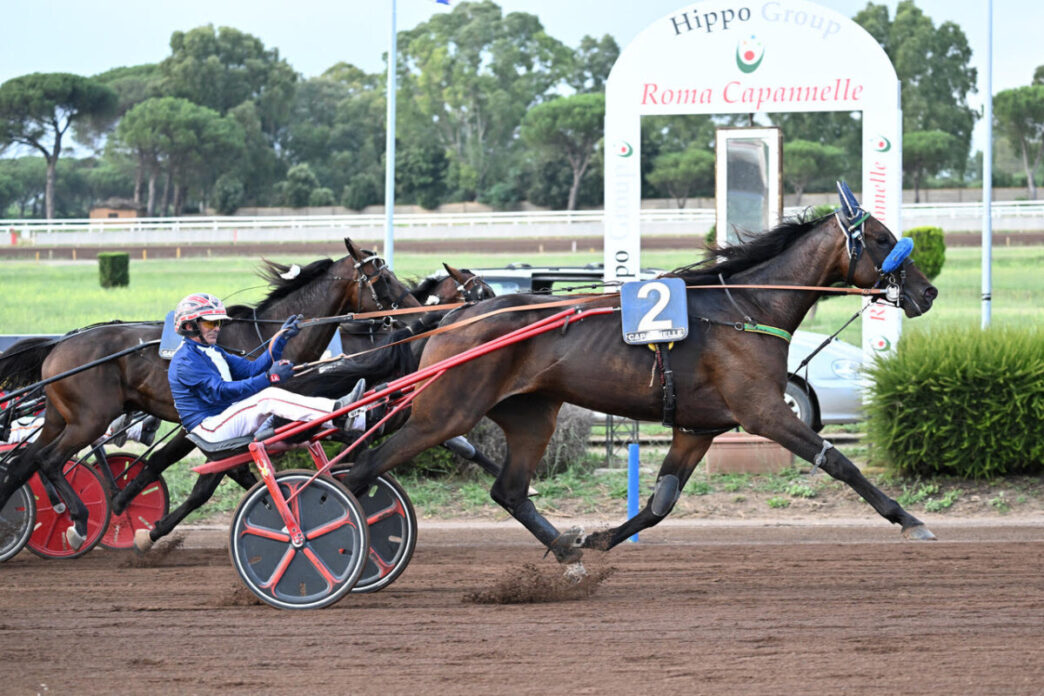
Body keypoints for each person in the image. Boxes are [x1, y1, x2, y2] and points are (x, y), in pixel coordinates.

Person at [166, 293, 365, 445]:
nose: (217, 327)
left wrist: (281, 338)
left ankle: (358, 419)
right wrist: (269, 379)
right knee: (268, 397)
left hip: (226, 418)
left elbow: (253, 369)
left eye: (218, 322)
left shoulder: (213, 351)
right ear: (190, 326)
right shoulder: (185, 360)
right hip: (209, 429)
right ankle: (340, 413)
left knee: (286, 408)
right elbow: (220, 393)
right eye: (211, 322)